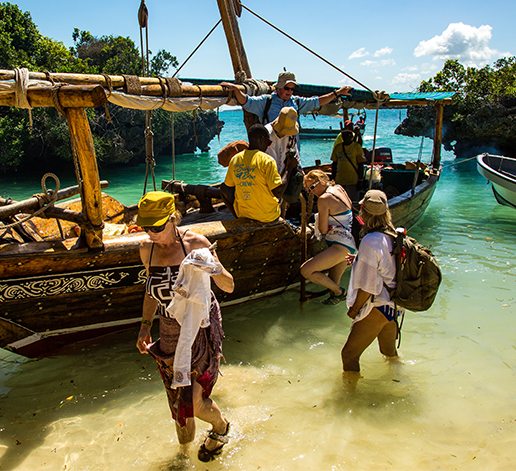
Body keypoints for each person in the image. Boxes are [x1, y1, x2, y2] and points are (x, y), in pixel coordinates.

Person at [136, 191, 235, 461]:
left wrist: (214, 267)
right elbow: (149, 291)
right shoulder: (147, 248)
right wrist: (145, 326)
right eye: (145, 226)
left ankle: (221, 427)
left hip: (200, 325)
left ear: (173, 219)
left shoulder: (195, 244)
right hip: (168, 329)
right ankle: (182, 456)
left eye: (156, 226)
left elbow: (229, 285)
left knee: (193, 402)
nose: (150, 232)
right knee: (179, 411)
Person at [341, 189, 401, 375]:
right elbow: (387, 267)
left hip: (377, 307)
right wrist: (359, 259)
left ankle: (351, 399)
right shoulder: (392, 235)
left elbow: (368, 287)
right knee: (389, 353)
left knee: (349, 355)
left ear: (362, 211)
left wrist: (354, 310)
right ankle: (399, 380)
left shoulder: (369, 241)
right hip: (393, 306)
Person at [300, 170, 356, 305]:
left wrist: (317, 224)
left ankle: (340, 292)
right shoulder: (339, 188)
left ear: (322, 181)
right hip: (349, 243)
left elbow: (323, 230)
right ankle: (337, 299)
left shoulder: (324, 199)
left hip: (340, 245)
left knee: (306, 271)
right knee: (333, 285)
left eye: (313, 187)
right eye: (308, 190)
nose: (312, 192)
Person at [220, 71, 353, 125]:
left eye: (291, 88)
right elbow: (246, 101)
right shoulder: (266, 102)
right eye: (286, 88)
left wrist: (337, 93)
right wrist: (237, 89)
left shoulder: (296, 102)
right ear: (278, 88)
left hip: (292, 153)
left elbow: (317, 101)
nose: (289, 91)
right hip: (271, 152)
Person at [220, 123, 285, 223]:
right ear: (262, 139)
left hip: (244, 215)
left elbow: (227, 187)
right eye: (268, 143)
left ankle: (237, 217)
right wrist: (289, 168)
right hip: (268, 216)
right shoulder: (267, 160)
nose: (268, 147)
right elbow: (278, 193)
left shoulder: (235, 159)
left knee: (223, 187)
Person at [265, 107, 302, 215]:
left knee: (280, 206)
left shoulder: (292, 134)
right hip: (272, 176)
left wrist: (299, 168)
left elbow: (295, 151)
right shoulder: (268, 133)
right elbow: (270, 160)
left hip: (285, 171)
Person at [330, 120, 366, 200]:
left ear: (351, 136)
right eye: (344, 135)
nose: (346, 136)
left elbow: (360, 164)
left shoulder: (357, 147)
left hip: (352, 181)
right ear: (342, 136)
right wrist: (333, 179)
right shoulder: (338, 147)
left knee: (352, 201)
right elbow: (334, 164)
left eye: (348, 135)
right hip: (340, 180)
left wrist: (360, 180)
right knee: (340, 201)